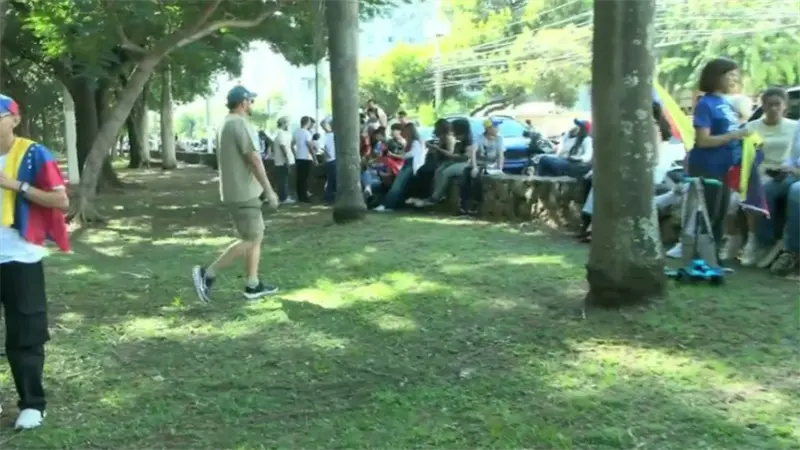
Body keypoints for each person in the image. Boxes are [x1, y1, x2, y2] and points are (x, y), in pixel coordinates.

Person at [0, 94, 70, 429]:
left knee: (25, 333)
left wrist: (15, 185)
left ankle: (32, 404)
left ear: (15, 119)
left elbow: (60, 200)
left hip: (20, 258)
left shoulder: (33, 153)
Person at [191, 86, 279, 302]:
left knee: (255, 237)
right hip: (244, 193)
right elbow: (254, 159)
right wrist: (269, 190)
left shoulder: (225, 123)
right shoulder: (239, 124)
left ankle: (253, 284)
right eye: (250, 101)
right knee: (251, 238)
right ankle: (207, 274)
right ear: (243, 102)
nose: (251, 105)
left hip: (235, 192)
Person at [687, 57, 751, 258]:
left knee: (721, 213)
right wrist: (735, 135)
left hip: (726, 167)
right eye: (730, 75)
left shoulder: (725, 103)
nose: (735, 79)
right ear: (716, 76)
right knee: (708, 214)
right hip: (708, 166)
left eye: (736, 75)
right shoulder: (705, 104)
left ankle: (713, 258)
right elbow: (703, 140)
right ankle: (700, 259)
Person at [732, 88, 798, 266]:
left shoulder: (795, 127)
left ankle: (765, 242)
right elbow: (741, 153)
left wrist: (790, 168)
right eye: (769, 105)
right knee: (746, 194)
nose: (774, 108)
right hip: (758, 172)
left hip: (787, 172)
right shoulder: (752, 127)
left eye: (777, 104)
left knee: (766, 192)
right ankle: (752, 242)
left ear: (785, 106)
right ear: (763, 106)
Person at [755, 119, 800, 275]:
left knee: (796, 191)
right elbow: (792, 154)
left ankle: (792, 251)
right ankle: (766, 243)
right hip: (795, 171)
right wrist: (786, 167)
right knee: (767, 189)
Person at [374, 122, 426, 212]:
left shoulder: (416, 142)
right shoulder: (412, 142)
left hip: (411, 165)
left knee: (397, 186)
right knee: (398, 185)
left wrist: (395, 155)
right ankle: (388, 205)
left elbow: (410, 155)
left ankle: (387, 205)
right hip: (408, 165)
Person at [460, 119, 505, 215]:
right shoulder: (479, 138)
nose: (497, 129)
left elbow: (500, 155)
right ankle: (463, 205)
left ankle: (475, 205)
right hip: (479, 163)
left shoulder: (499, 139)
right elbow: (473, 153)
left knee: (478, 177)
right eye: (495, 127)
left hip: (490, 166)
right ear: (488, 128)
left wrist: (500, 169)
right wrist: (474, 167)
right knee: (466, 174)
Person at [424, 118, 472, 205]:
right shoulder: (459, 141)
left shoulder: (469, 142)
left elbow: (466, 157)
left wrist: (446, 153)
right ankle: (437, 193)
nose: (452, 132)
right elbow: (455, 154)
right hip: (457, 162)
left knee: (446, 172)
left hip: (467, 165)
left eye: (454, 130)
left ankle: (436, 197)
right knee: (439, 170)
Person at [272, 116, 296, 204]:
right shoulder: (280, 133)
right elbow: (283, 146)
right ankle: (283, 198)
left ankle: (284, 196)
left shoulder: (285, 133)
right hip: (282, 161)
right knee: (283, 180)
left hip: (285, 160)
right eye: (289, 123)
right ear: (284, 123)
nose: (290, 125)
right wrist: (287, 159)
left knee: (284, 179)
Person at [293, 116, 316, 203]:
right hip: (306, 158)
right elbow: (310, 146)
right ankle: (304, 197)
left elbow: (292, 144)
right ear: (308, 123)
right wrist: (314, 157)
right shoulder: (307, 133)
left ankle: (300, 196)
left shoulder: (296, 132)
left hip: (298, 157)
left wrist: (295, 153)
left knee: (299, 178)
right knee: (305, 178)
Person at [322, 119, 336, 204]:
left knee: (331, 180)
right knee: (332, 180)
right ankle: (328, 198)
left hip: (331, 160)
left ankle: (329, 198)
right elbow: (323, 148)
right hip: (332, 160)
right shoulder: (329, 135)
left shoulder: (329, 135)